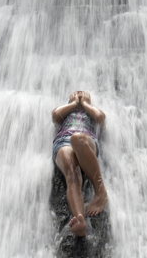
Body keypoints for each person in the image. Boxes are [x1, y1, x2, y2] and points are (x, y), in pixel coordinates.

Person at [51, 91, 108, 237]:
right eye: (76, 95)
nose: (80, 95)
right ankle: (80, 222)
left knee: (77, 139)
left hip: (86, 139)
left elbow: (101, 118)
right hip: (63, 141)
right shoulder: (66, 111)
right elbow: (55, 115)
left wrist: (85, 104)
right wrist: (74, 103)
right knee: (71, 173)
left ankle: (100, 192)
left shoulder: (91, 112)